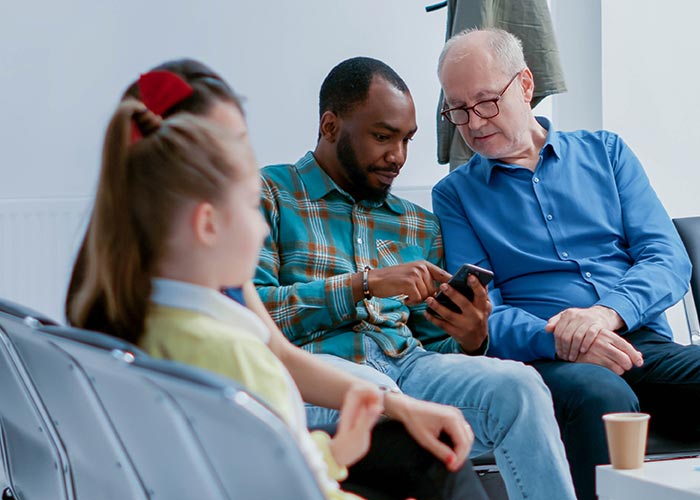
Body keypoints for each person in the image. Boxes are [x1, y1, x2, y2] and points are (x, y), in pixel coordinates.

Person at [67, 61, 490, 500]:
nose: (264, 220)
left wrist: (394, 404)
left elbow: (280, 356)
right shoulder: (231, 352)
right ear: (205, 216)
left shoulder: (129, 287)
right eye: (233, 148)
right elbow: (283, 478)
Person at [432, 28, 700, 500]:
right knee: (603, 396)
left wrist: (604, 315)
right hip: (550, 362)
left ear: (524, 85)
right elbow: (483, 315)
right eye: (457, 110)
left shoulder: (607, 153)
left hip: (643, 347)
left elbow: (667, 259)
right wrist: (563, 337)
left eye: (484, 102)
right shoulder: (455, 195)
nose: (473, 123)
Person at [255, 56, 577, 500]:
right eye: (383, 137)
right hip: (319, 371)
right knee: (376, 391)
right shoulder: (269, 194)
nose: (398, 157)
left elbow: (431, 339)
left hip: (412, 365)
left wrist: (470, 336)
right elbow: (253, 316)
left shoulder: (418, 224)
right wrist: (366, 284)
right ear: (330, 127)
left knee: (520, 387)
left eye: (407, 140)